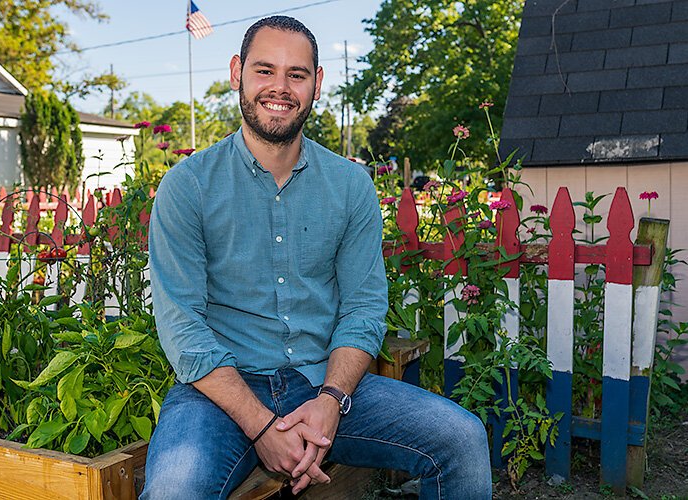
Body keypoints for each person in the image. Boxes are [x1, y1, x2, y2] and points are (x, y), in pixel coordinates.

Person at [141, 15, 491, 499]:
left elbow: (364, 307)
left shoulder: (350, 186)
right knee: (174, 490)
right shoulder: (189, 187)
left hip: (326, 381)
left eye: (297, 74)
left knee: (463, 438)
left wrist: (331, 399)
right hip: (221, 393)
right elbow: (182, 325)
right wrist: (263, 427)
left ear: (317, 84)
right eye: (264, 70)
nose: (280, 88)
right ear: (236, 72)